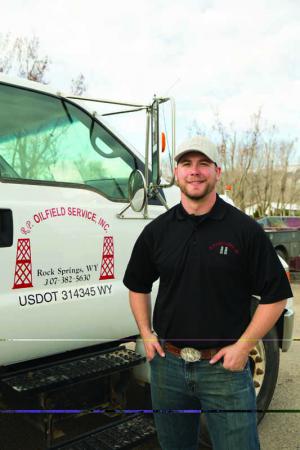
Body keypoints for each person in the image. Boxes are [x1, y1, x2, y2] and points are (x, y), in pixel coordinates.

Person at [123, 135, 293, 450]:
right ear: (176, 173)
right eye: (186, 164)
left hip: (224, 371)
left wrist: (244, 347)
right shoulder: (157, 232)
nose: (195, 171)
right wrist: (146, 333)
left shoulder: (244, 231)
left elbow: (276, 296)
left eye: (204, 164)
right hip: (168, 368)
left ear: (218, 172)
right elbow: (137, 285)